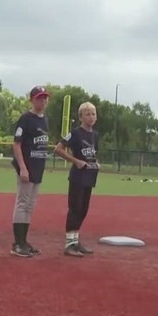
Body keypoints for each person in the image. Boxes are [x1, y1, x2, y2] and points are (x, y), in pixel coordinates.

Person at [54, 101, 101, 257]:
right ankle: (69, 244)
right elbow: (58, 149)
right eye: (87, 114)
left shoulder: (95, 135)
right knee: (75, 208)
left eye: (93, 114)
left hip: (89, 176)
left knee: (83, 210)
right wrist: (76, 161)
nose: (91, 117)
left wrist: (95, 163)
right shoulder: (75, 133)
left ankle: (76, 241)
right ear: (81, 117)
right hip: (77, 176)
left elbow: (92, 154)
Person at [10, 86, 51, 258]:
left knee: (30, 205)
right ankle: (18, 244)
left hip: (38, 167)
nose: (43, 101)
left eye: (45, 98)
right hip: (27, 166)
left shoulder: (44, 120)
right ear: (32, 100)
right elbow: (16, 144)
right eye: (39, 98)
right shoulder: (26, 119)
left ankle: (24, 241)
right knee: (22, 202)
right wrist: (23, 168)